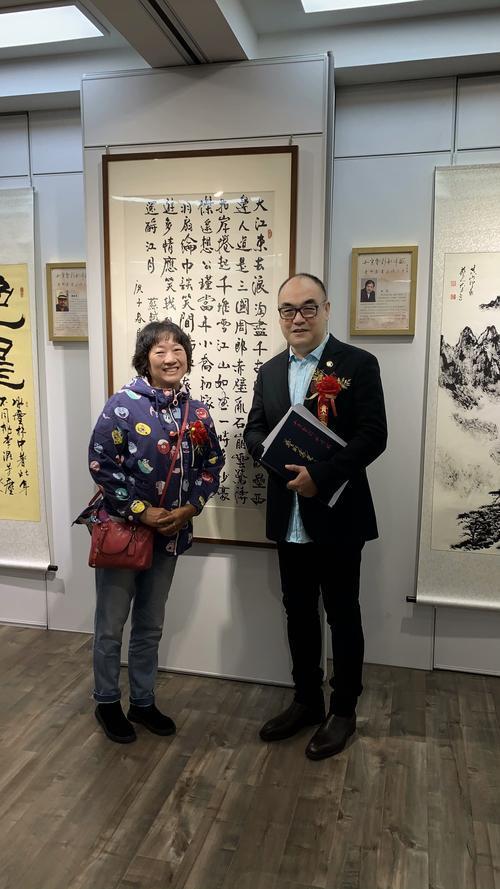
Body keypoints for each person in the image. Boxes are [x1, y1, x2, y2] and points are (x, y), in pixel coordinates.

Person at [244, 273, 387, 760]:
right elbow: (255, 429)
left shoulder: (357, 364)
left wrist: (320, 476)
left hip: (338, 515)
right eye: (288, 309)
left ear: (327, 309)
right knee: (299, 612)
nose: (298, 318)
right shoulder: (269, 371)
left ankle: (343, 711)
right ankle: (307, 700)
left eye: (308, 307)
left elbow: (374, 435)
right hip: (289, 517)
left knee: (343, 614)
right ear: (279, 316)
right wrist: (273, 456)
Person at [83, 320, 224, 744]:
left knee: (150, 625)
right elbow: (101, 463)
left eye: (177, 349)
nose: (170, 357)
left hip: (170, 534)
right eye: (160, 350)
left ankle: (142, 702)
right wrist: (141, 511)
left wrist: (190, 508)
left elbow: (212, 465)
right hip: (124, 533)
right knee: (111, 625)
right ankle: (107, 701)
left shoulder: (197, 412)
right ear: (145, 359)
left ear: (187, 357)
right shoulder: (122, 405)